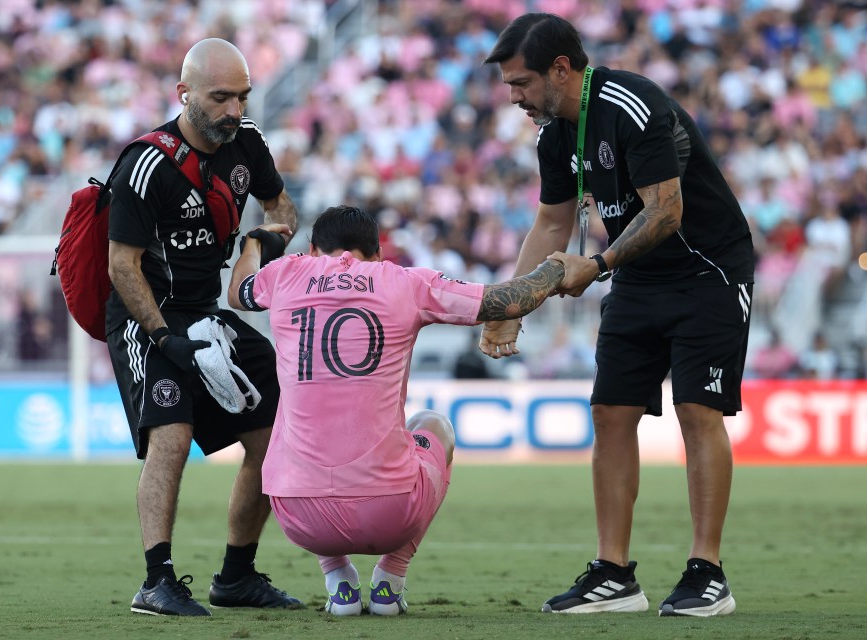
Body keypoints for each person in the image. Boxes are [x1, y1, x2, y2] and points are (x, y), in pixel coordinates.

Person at [482, 14, 754, 617]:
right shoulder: (555, 135)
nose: (513, 97)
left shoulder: (632, 105)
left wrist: (598, 265)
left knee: (697, 411)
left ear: (562, 69)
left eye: (521, 82)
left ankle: (707, 573)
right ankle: (614, 575)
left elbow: (666, 211)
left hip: (708, 271)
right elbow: (551, 223)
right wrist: (512, 305)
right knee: (609, 412)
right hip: (639, 277)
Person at [226, 205, 564, 615]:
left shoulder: (286, 273)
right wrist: (558, 267)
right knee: (433, 425)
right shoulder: (404, 282)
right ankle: (391, 577)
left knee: (293, 428)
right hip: (389, 514)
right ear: (378, 253)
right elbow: (507, 300)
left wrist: (254, 243)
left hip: (299, 517)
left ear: (313, 249)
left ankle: (337, 579)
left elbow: (238, 290)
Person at [106, 38, 301, 616]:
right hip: (148, 318)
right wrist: (166, 340)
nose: (234, 111)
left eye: (242, 97)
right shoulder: (147, 164)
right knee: (173, 437)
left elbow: (283, 210)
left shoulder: (248, 144)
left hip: (207, 316)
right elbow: (121, 265)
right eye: (220, 98)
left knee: (272, 431)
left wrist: (257, 242)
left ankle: (236, 576)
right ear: (183, 94)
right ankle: (156, 581)